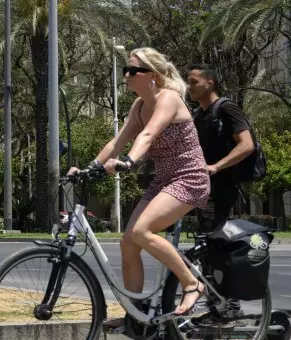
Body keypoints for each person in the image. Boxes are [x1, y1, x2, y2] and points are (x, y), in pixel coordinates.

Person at [67, 47, 210, 328]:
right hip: (164, 180)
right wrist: (88, 167)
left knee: (142, 231)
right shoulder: (138, 106)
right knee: (128, 243)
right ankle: (136, 315)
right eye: (126, 70)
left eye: (134, 70)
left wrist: (130, 161)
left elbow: (149, 133)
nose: (127, 75)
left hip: (189, 178)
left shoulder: (168, 98)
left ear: (153, 76)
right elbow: (115, 143)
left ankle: (192, 284)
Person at [187, 64, 254, 232]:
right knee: (206, 233)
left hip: (224, 184)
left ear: (209, 84)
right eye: (188, 82)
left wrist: (216, 166)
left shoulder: (226, 108)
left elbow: (247, 144)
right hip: (204, 184)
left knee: (215, 232)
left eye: (194, 82)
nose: (189, 87)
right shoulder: (197, 114)